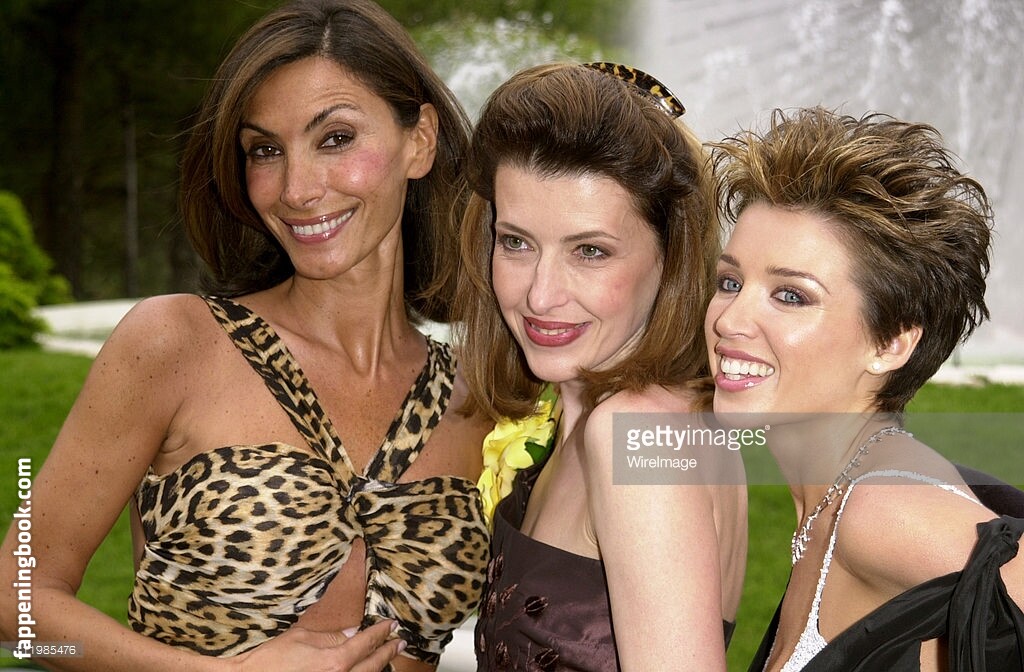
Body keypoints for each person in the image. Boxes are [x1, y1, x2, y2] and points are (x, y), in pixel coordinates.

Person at [0, 1, 492, 670]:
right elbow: (18, 612)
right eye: (265, 150)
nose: (296, 189)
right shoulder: (175, 344)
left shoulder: (480, 399)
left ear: (420, 141)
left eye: (335, 138)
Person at [705, 106, 1024, 671]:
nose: (729, 319)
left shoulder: (883, 511)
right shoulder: (837, 497)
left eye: (790, 295)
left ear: (891, 343)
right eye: (730, 281)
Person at [455, 61, 748, 671]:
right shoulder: (603, 417)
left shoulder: (633, 434)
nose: (540, 295)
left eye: (590, 251)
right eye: (516, 242)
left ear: (671, 258)